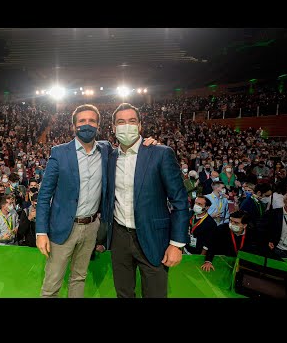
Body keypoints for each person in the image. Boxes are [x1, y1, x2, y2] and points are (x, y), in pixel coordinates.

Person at [36, 104, 155, 298]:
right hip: (63, 227)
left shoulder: (106, 150)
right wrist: (41, 232)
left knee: (79, 278)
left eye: (92, 121)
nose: (87, 124)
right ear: (74, 126)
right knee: (52, 284)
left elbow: (131, 149)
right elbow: (44, 196)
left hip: (92, 227)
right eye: (82, 121)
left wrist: (148, 143)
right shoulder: (59, 153)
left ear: (98, 125)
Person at [104, 103, 189, 298]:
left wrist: (177, 244)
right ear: (113, 128)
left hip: (153, 237)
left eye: (132, 121)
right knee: (123, 293)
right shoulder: (110, 157)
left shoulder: (160, 153)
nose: (127, 126)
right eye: (121, 122)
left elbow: (180, 201)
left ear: (140, 126)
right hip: (119, 236)